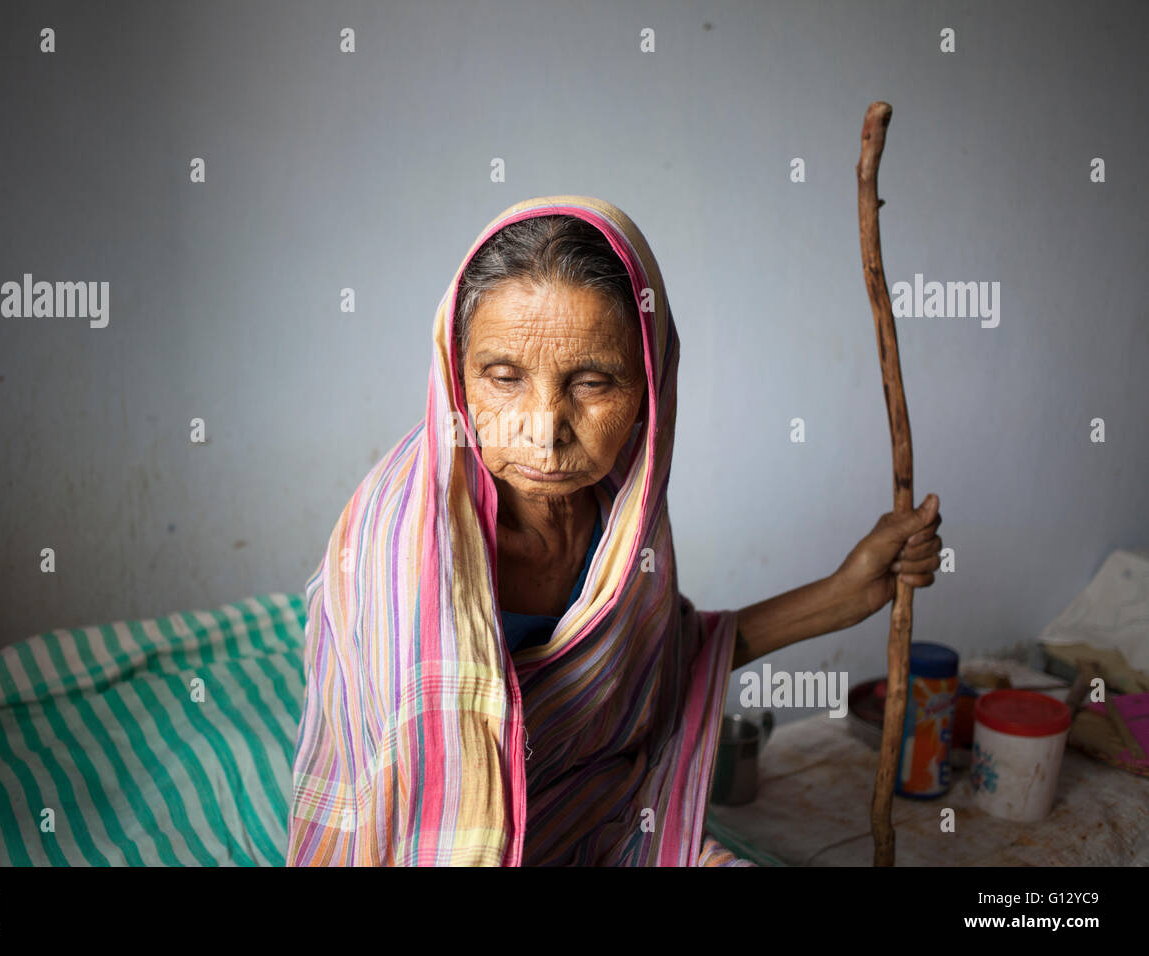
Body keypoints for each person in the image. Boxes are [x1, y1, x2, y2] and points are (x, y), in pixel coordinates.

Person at [287, 196, 941, 866]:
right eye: (504, 377)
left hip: (598, 817)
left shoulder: (619, 518)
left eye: (594, 382)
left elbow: (650, 668)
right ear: (455, 376)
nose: (545, 430)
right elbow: (426, 817)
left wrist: (846, 593)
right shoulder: (404, 550)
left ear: (649, 392)